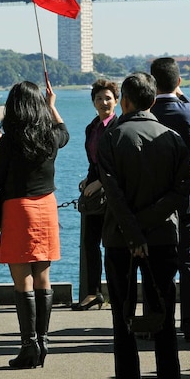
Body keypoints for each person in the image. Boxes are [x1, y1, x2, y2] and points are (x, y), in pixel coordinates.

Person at [98, 72, 190, 379]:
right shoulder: (173, 138)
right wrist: (147, 225)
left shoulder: (110, 138)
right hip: (164, 235)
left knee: (122, 315)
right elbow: (181, 193)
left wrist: (134, 232)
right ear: (153, 101)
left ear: (125, 100)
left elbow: (113, 191)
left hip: (121, 238)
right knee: (164, 312)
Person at [0, 80, 68, 369]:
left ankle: (28, 344)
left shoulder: (10, 140)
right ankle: (44, 342)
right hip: (46, 207)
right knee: (43, 277)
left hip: (18, 209)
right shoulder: (49, 137)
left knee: (23, 280)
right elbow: (64, 133)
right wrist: (52, 106)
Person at [149, 57, 190, 342]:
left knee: (155, 260)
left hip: (156, 196)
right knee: (189, 260)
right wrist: (182, 94)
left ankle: (157, 320)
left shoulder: (147, 113)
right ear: (179, 82)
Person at [74, 79, 119, 311]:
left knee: (112, 244)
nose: (104, 102)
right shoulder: (92, 127)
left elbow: (119, 163)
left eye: (108, 98)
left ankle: (116, 292)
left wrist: (100, 182)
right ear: (93, 102)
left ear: (117, 101)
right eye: (99, 98)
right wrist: (89, 178)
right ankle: (93, 293)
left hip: (114, 195)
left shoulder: (119, 127)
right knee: (89, 244)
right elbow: (95, 161)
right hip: (95, 194)